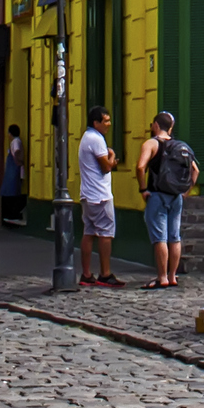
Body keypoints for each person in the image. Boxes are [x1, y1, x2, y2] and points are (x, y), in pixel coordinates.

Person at [135, 111, 197, 288]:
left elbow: (140, 167)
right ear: (171, 128)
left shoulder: (151, 143)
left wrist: (143, 189)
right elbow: (195, 171)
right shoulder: (181, 146)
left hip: (157, 195)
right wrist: (186, 191)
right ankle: (172, 276)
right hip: (176, 196)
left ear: (155, 125)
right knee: (174, 237)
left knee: (160, 238)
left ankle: (162, 277)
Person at [78, 106, 123, 287]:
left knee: (89, 232)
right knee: (106, 233)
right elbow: (106, 167)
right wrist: (112, 156)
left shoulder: (86, 137)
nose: (109, 124)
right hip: (100, 195)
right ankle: (105, 273)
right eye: (105, 121)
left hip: (87, 194)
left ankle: (86, 273)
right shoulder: (97, 139)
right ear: (96, 123)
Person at [0, 123, 26, 225]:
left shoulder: (15, 142)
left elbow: (17, 152)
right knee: (13, 190)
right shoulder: (17, 141)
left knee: (11, 190)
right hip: (15, 170)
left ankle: (12, 213)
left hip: (14, 171)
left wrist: (17, 162)